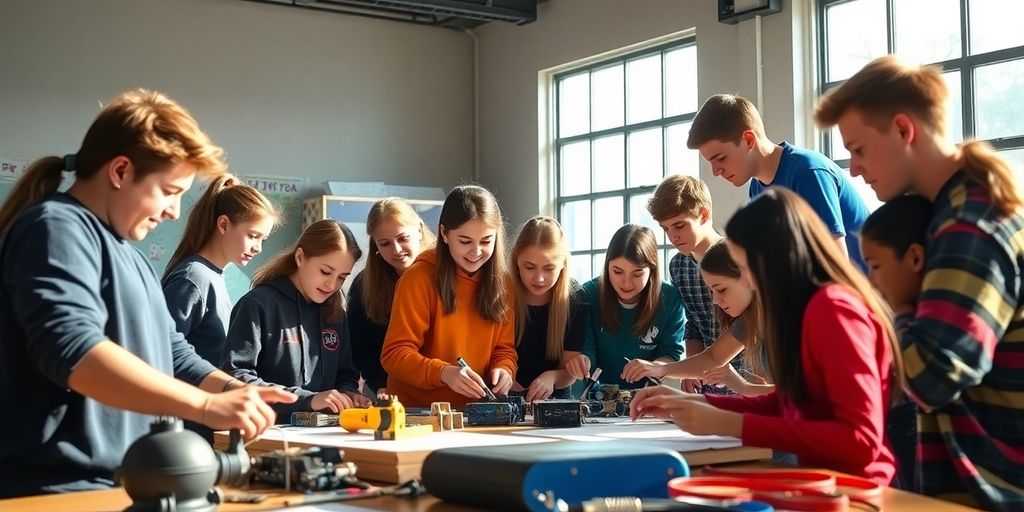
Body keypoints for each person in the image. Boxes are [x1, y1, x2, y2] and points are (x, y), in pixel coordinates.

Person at [0, 89, 292, 498]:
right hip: (52, 489)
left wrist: (230, 390)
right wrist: (205, 407)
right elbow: (73, 350)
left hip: (117, 486)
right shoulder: (55, 229)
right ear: (120, 171)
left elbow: (170, 351)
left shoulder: (131, 257)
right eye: (170, 191)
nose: (174, 211)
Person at [815, 55, 1024, 508]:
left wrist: (898, 304)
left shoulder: (970, 224)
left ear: (904, 130)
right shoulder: (948, 215)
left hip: (996, 489)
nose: (852, 169)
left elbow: (929, 375)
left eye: (859, 149)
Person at [631, 189, 901, 486]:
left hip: (860, 491)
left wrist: (730, 423)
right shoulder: (805, 312)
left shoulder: (834, 309)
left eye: (747, 268)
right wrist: (694, 404)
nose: (747, 281)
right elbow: (788, 404)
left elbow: (859, 439)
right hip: (824, 485)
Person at [687, 94, 869, 269]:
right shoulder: (757, 189)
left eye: (721, 158)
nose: (715, 171)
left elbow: (836, 263)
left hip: (868, 294)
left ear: (748, 140)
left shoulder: (808, 172)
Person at [380, 185, 517, 407]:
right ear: (444, 233)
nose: (475, 252)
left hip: (476, 413)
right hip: (417, 414)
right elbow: (395, 355)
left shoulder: (504, 283)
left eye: (486, 241)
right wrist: (444, 373)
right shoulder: (417, 278)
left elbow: (504, 349)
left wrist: (505, 369)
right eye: (465, 241)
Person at [221, 219, 369, 416]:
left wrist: (348, 394)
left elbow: (346, 374)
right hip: (267, 433)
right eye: (325, 271)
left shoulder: (334, 313)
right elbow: (235, 376)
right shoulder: (257, 305)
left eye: (342, 277)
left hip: (324, 435)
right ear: (300, 257)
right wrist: (306, 399)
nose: (332, 285)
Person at [644, 175, 749, 394]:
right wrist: (690, 369)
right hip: (708, 381)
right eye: (665, 229)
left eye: (679, 225)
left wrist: (664, 369)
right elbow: (693, 323)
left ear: (703, 214)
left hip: (750, 380)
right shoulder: (678, 266)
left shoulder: (737, 256)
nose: (673, 236)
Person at [163, 174, 279, 366]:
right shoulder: (192, 279)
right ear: (224, 225)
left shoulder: (214, 276)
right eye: (252, 236)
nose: (258, 248)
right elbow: (162, 353)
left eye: (263, 239)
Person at [859, 195, 934, 490]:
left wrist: (901, 311)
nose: (871, 280)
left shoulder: (922, 321)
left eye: (875, 266)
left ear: (915, 258)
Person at [565, 224, 685, 389]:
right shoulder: (587, 294)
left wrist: (654, 367)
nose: (626, 283)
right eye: (617, 271)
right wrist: (582, 360)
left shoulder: (670, 299)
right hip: (596, 395)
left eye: (637, 274)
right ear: (607, 266)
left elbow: (671, 353)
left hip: (647, 397)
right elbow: (587, 348)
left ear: (652, 270)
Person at [346, 198, 435, 396]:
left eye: (403, 238)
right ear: (375, 245)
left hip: (442, 386)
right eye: (385, 243)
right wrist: (380, 383)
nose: (396, 250)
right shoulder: (365, 284)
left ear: (419, 230)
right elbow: (358, 346)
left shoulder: (443, 274)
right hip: (387, 389)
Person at [508, 216, 586, 402]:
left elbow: (570, 371)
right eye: (530, 267)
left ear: (562, 266)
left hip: (556, 402)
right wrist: (503, 373)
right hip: (505, 399)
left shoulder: (575, 300)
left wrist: (551, 377)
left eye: (549, 268)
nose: (539, 278)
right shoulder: (501, 294)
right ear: (516, 262)